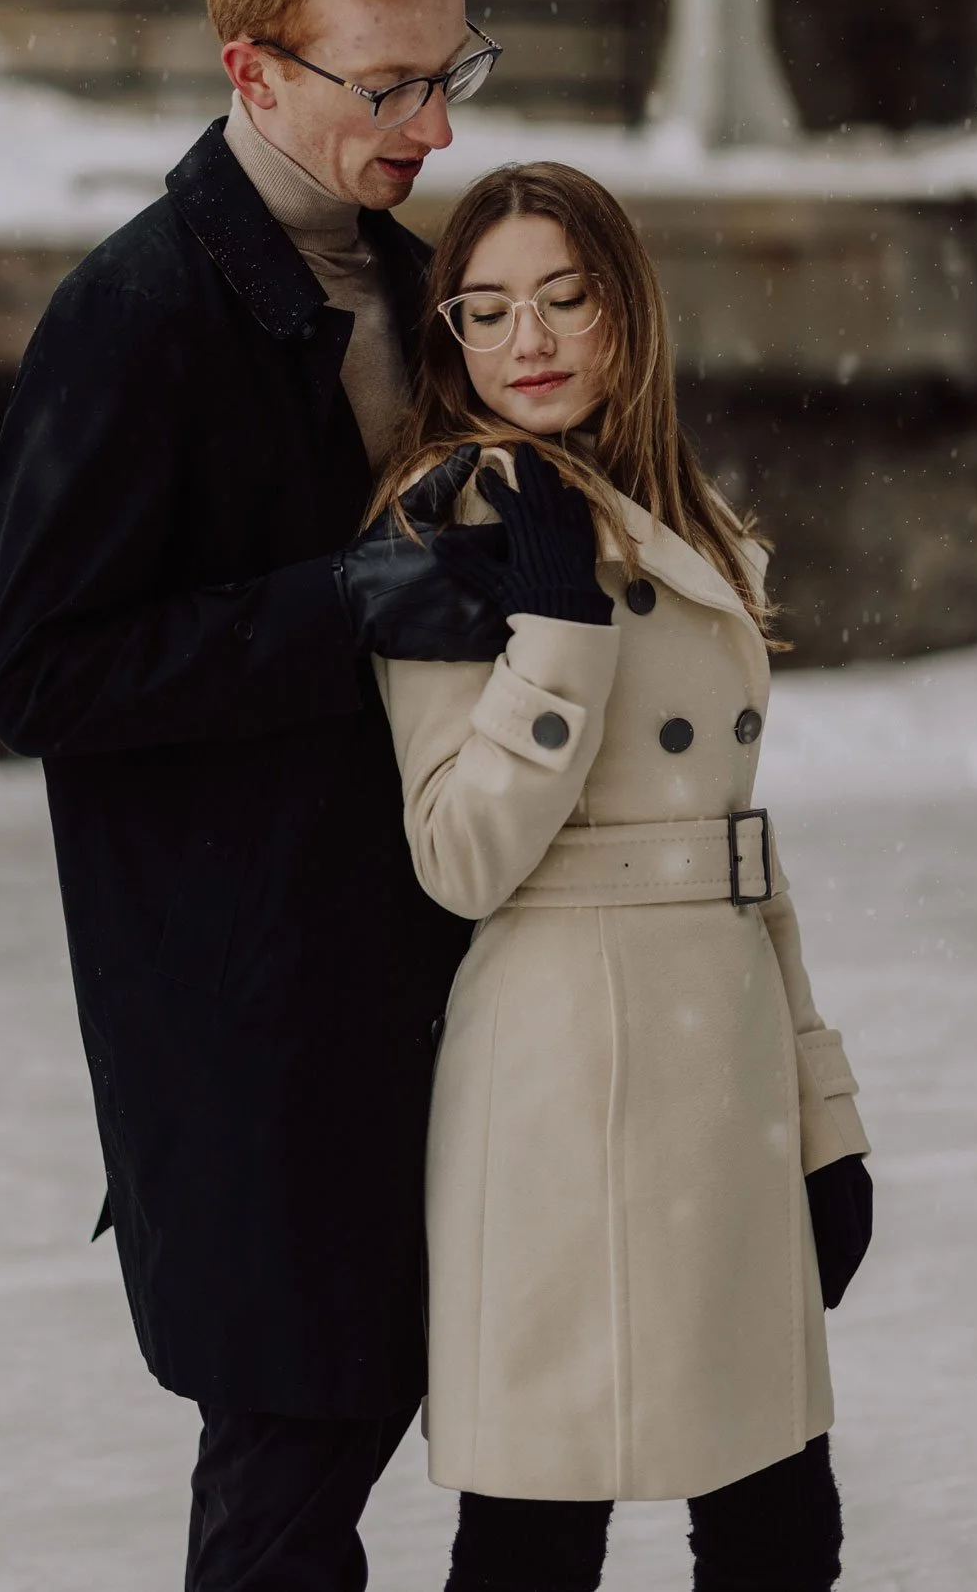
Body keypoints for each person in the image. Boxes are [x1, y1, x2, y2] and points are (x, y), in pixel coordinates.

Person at [0, 0, 512, 1592]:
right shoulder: (129, 316)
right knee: (285, 1495)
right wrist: (338, 606)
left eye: (452, 71)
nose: (433, 128)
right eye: (388, 86)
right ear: (252, 69)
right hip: (256, 1033)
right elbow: (40, 671)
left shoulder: (427, 283)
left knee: (527, 1463)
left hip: (449, 978)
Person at [372, 161, 873, 1592]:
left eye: (562, 297)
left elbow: (736, 849)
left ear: (626, 307)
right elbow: (458, 856)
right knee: (538, 1536)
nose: (524, 339)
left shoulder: (673, 504)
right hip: (560, 1079)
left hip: (718, 1067)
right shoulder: (452, 520)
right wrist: (557, 635)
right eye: (485, 310)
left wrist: (822, 1120)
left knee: (781, 1533)